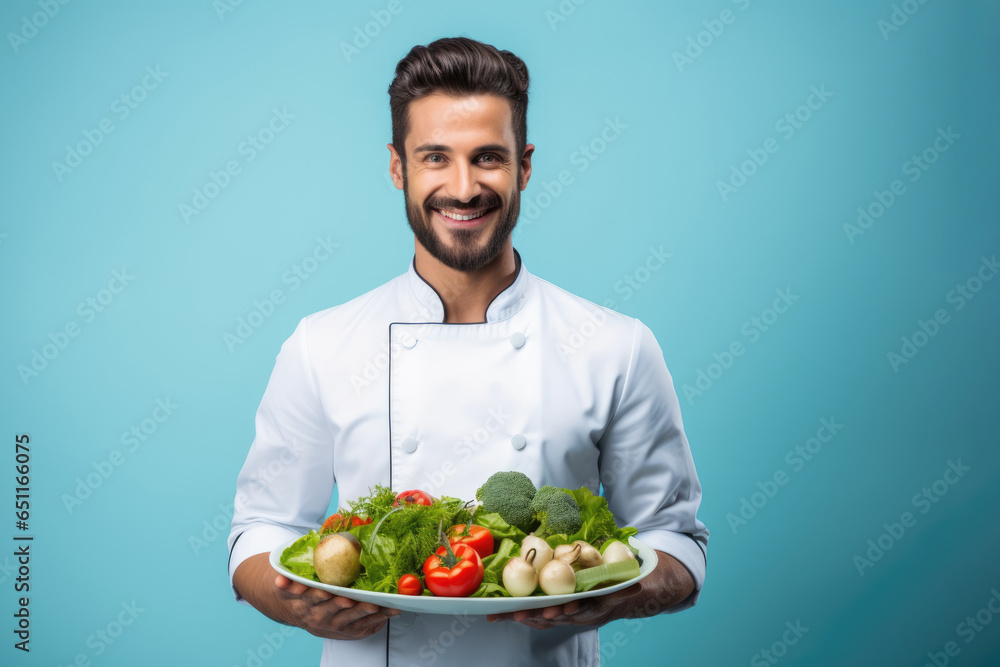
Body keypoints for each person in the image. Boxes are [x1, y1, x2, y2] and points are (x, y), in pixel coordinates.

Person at [227, 36, 709, 667]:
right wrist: (293, 601)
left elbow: (676, 542)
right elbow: (259, 531)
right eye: (435, 158)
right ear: (398, 167)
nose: (463, 188)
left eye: (488, 158)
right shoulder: (321, 345)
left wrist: (612, 595)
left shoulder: (616, 347)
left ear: (525, 166)